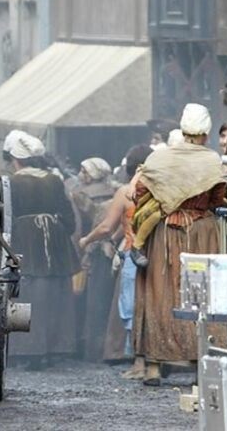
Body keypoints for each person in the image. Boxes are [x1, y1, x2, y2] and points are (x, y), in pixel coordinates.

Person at [132, 103, 227, 385]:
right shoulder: (211, 159)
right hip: (202, 232)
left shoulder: (160, 158)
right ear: (206, 134)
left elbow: (140, 191)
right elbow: (218, 197)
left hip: (164, 231)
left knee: (160, 292)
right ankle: (201, 363)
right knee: (201, 294)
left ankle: (153, 365)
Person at [1, 130, 79, 368]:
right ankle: (57, 347)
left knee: (28, 291)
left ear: (15, 159)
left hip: (24, 240)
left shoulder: (11, 182)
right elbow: (68, 219)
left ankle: (29, 349)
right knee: (56, 293)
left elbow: (6, 217)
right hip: (55, 242)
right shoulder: (54, 180)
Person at [78, 145, 152, 371]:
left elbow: (106, 227)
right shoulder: (161, 190)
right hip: (157, 253)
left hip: (133, 253)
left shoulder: (125, 192)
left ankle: (138, 361)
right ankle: (152, 359)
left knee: (129, 305)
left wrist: (86, 240)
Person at [71, 157, 117, 362]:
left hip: (93, 246)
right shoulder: (117, 190)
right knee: (107, 299)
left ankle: (91, 348)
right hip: (113, 247)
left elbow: (80, 223)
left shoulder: (80, 195)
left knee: (93, 300)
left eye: (83, 170)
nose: (81, 174)